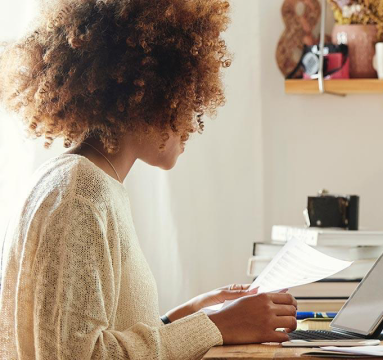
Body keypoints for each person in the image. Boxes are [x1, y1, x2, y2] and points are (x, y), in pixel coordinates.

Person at [0, 0, 298, 358]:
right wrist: (216, 326)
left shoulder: (90, 182)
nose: (193, 116)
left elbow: (101, 334)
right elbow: (80, 355)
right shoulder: (80, 193)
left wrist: (188, 315)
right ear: (146, 95)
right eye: (185, 95)